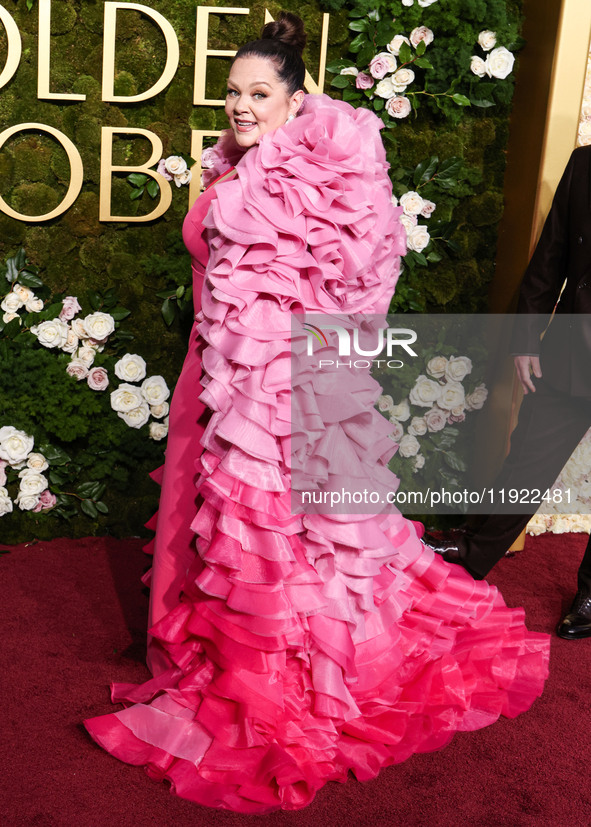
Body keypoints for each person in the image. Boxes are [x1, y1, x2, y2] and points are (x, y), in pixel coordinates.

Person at [84, 13, 550, 813]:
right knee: (224, 528)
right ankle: (218, 636)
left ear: (297, 100)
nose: (239, 105)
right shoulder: (240, 162)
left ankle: (287, 668)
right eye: (231, 91)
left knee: (271, 534)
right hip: (219, 374)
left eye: (258, 93)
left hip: (273, 393)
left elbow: (360, 274)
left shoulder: (302, 170)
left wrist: (285, 390)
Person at [422, 144, 591, 641]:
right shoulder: (585, 163)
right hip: (570, 353)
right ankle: (473, 554)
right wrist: (525, 337)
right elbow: (552, 253)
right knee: (527, 463)